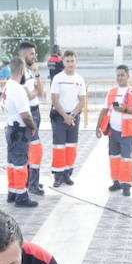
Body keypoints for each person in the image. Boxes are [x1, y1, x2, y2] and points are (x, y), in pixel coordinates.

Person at [96, 64, 132, 196]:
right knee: (114, 157)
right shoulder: (111, 92)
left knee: (126, 158)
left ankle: (126, 185)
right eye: (118, 75)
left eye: (122, 75)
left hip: (127, 132)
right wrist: (98, 127)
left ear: (128, 76)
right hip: (112, 131)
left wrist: (124, 109)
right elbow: (104, 110)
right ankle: (116, 182)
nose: (120, 78)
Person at [0, 57, 37, 208]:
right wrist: (33, 126)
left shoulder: (7, 86)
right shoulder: (18, 89)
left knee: (12, 163)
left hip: (10, 128)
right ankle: (21, 196)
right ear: (22, 71)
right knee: (21, 163)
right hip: (19, 131)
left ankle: (13, 192)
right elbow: (25, 114)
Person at [49, 50, 86, 187]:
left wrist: (72, 116)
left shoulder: (79, 79)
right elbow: (55, 100)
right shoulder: (58, 78)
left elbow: (82, 101)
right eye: (67, 61)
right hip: (59, 117)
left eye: (72, 61)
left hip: (73, 117)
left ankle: (67, 175)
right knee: (59, 147)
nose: (70, 64)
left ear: (76, 62)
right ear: (63, 62)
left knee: (71, 147)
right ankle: (58, 176)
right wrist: (65, 116)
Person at [17, 40, 47, 198]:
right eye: (32, 54)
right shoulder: (20, 73)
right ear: (23, 54)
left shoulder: (29, 71)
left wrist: (37, 75)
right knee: (35, 150)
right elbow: (28, 96)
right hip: (29, 114)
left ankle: (31, 181)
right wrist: (35, 90)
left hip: (35, 112)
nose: (34, 56)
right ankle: (32, 184)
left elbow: (40, 91)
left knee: (32, 149)